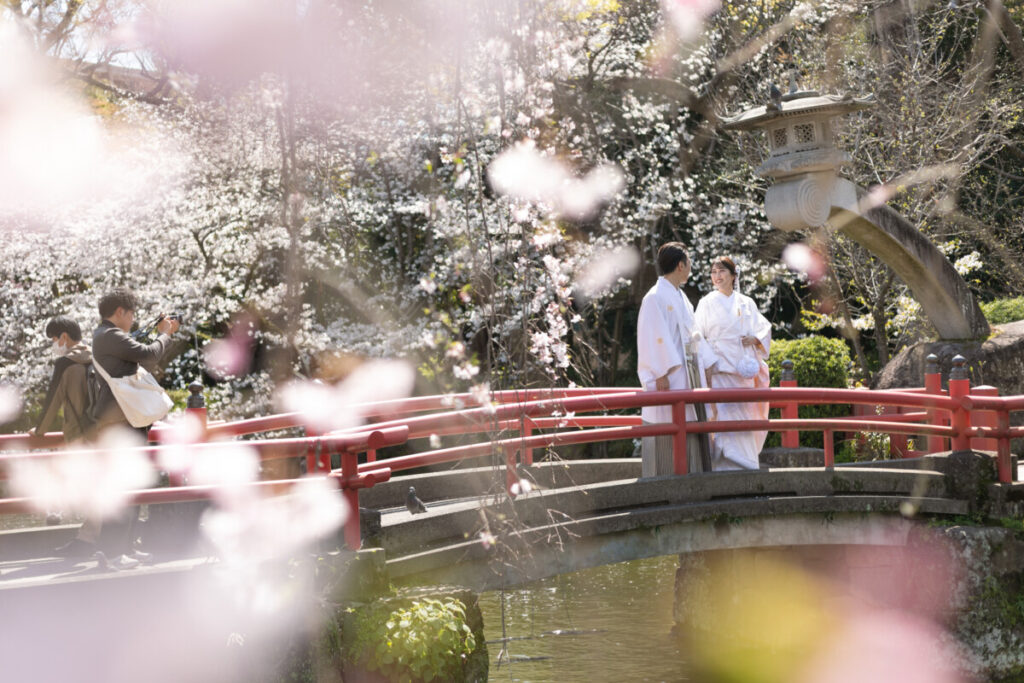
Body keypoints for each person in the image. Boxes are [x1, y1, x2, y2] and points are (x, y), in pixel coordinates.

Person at [59, 287, 180, 564]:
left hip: (124, 419)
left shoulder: (107, 336)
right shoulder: (110, 336)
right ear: (120, 312)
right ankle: (113, 552)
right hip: (119, 422)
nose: (134, 318)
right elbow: (150, 354)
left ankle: (125, 547)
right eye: (132, 312)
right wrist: (166, 333)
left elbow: (137, 351)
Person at [636, 242, 712, 477]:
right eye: (688, 262)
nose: (690, 267)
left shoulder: (681, 297)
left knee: (689, 422)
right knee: (669, 425)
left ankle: (693, 476)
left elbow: (694, 333)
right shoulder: (655, 297)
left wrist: (707, 362)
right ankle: (666, 479)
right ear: (681, 265)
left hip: (688, 373)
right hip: (670, 375)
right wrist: (659, 372)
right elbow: (652, 336)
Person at [695, 256, 772, 471]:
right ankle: (724, 468)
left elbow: (764, 327)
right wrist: (710, 362)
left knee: (745, 416)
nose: (717, 276)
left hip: (743, 372)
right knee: (722, 418)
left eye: (722, 272)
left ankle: (747, 465)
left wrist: (755, 338)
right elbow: (697, 335)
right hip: (720, 371)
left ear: (733, 275)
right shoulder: (706, 303)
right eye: (713, 272)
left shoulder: (746, 303)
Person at [31, 316, 94, 444]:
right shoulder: (96, 357)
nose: (53, 344)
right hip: (103, 434)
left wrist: (39, 430)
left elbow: (53, 401)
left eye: (54, 339)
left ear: (64, 337)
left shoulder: (65, 363)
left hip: (77, 435)